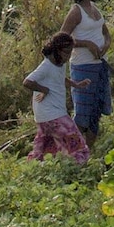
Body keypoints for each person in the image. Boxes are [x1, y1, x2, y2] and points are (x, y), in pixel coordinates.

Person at [24, 32, 90, 165]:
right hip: (53, 114)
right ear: (57, 50)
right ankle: (80, 169)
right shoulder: (46, 66)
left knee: (46, 148)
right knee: (77, 145)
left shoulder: (60, 63)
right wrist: (44, 90)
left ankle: (36, 171)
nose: (68, 56)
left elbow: (59, 78)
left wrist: (75, 84)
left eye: (70, 53)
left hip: (44, 116)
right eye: (66, 52)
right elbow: (27, 82)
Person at [60, 0, 112, 143]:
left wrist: (107, 44)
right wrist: (87, 44)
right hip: (83, 66)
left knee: (96, 109)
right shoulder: (76, 11)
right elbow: (61, 39)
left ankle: (89, 149)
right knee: (83, 112)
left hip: (100, 64)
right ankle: (70, 150)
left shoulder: (95, 8)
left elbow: (105, 32)